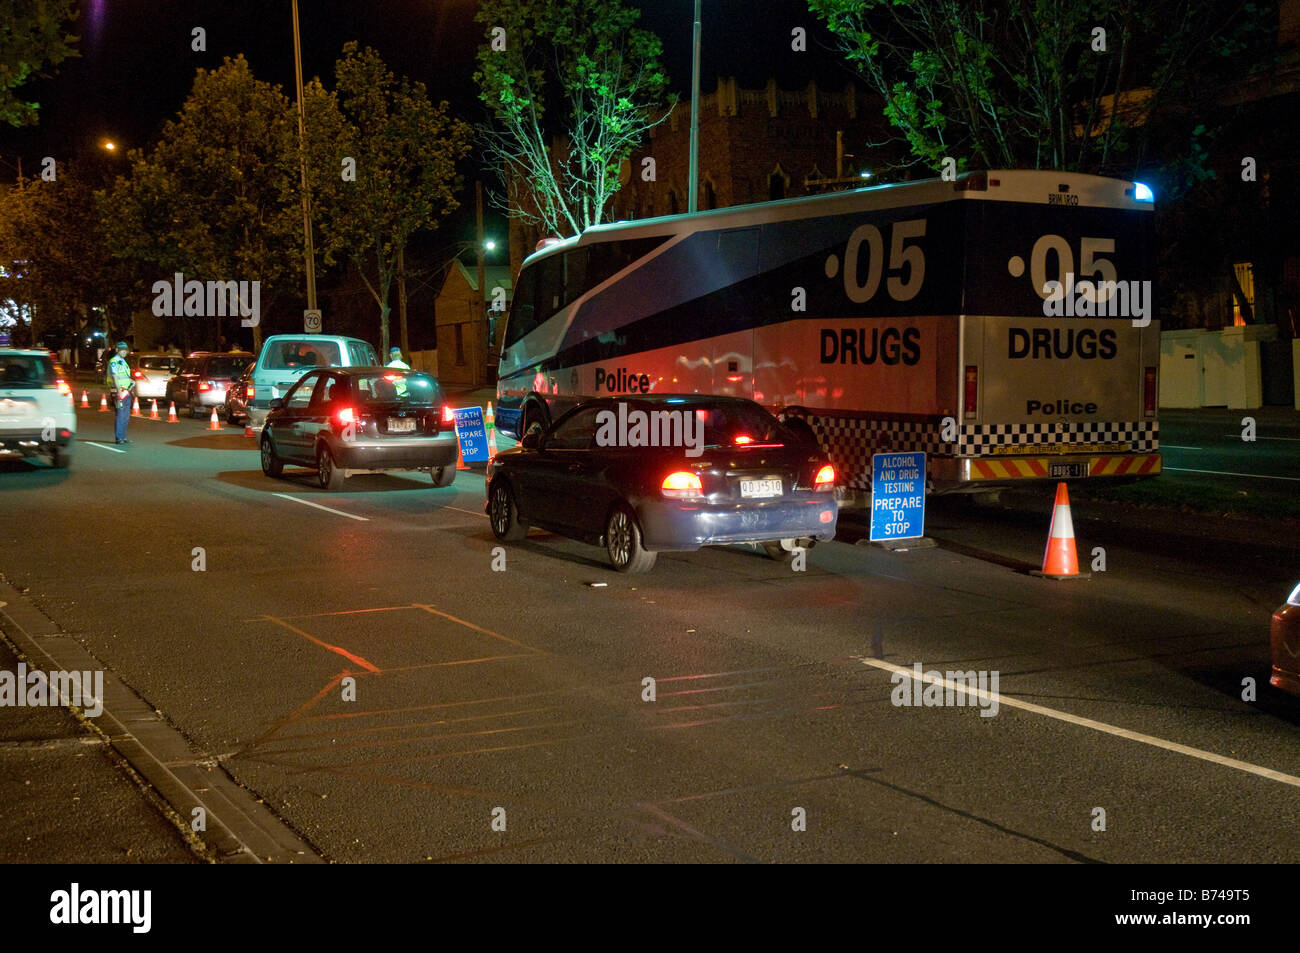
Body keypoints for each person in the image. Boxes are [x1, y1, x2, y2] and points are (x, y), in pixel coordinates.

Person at [107, 341, 135, 445]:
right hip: (119, 391)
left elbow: (124, 376)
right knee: (120, 414)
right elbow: (114, 376)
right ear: (117, 350)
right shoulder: (114, 361)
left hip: (126, 390)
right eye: (122, 350)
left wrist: (131, 381)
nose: (124, 352)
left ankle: (123, 436)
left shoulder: (122, 361)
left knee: (125, 415)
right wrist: (119, 391)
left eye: (126, 350)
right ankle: (119, 438)